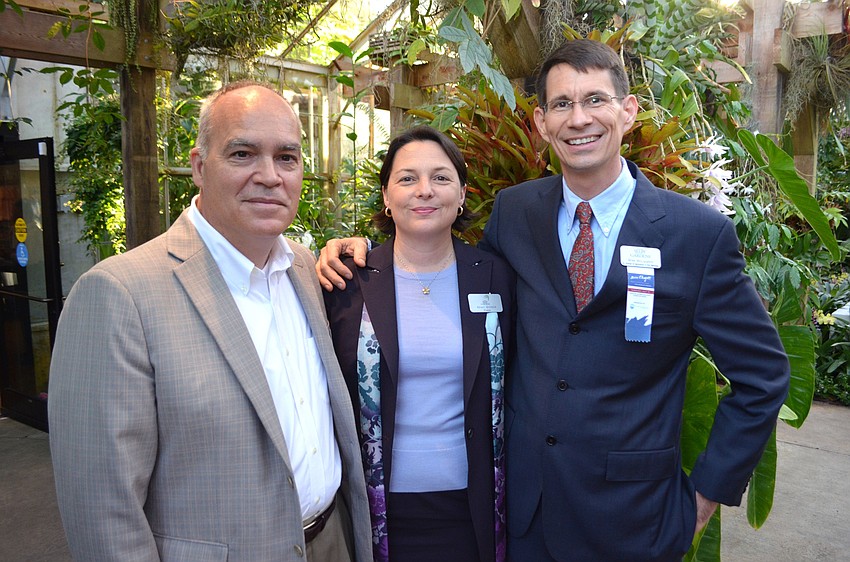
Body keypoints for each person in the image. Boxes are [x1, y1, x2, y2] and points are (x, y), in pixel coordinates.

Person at [316, 40, 790, 562]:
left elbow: (763, 374)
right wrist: (360, 253)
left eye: (595, 100)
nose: (578, 118)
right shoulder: (516, 214)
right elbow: (457, 282)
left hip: (636, 520)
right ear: (542, 122)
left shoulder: (695, 235)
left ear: (628, 111)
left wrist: (704, 498)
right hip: (525, 517)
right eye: (562, 104)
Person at [48, 81, 372, 562]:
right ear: (199, 167)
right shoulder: (119, 294)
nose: (270, 176)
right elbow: (103, 510)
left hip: (333, 543)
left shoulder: (306, 270)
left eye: (287, 157)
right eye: (243, 154)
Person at [324, 125, 514, 562]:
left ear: (462, 194)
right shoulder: (346, 281)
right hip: (377, 509)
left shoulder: (496, 276)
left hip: (473, 508)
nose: (425, 190)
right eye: (407, 178)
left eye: (441, 178)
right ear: (387, 197)